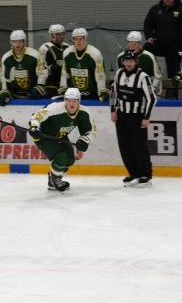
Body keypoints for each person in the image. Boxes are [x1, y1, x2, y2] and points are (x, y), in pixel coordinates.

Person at [29, 87, 95, 192]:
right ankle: (55, 180)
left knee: (70, 159)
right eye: (69, 101)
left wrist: (85, 139)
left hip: (59, 136)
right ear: (65, 100)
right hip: (43, 136)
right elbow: (36, 117)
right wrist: (34, 127)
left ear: (79, 101)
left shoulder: (84, 113)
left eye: (75, 101)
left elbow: (90, 131)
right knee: (61, 157)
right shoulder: (55, 109)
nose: (71, 104)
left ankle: (53, 179)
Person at [111, 50, 156, 186]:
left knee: (139, 147)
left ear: (136, 62)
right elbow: (114, 92)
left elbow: (152, 98)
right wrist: (113, 110)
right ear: (123, 61)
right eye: (126, 61)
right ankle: (133, 173)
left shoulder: (143, 77)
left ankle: (145, 174)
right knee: (124, 146)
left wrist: (146, 117)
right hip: (122, 115)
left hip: (137, 117)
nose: (129, 63)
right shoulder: (119, 73)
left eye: (131, 61)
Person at [143, 0, 182, 82]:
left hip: (175, 48)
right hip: (159, 44)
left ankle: (172, 95)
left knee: (173, 73)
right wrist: (149, 37)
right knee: (146, 48)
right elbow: (147, 24)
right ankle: (149, 77)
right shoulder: (155, 9)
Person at [0, 30, 45, 105]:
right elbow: (4, 78)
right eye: (15, 42)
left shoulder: (35, 55)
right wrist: (4, 91)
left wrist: (39, 86)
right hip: (15, 96)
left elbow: (42, 73)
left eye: (20, 41)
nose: (18, 45)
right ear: (11, 43)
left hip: (33, 95)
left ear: (24, 42)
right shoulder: (6, 57)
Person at [61, 28, 107, 101]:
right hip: (73, 96)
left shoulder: (95, 54)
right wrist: (63, 87)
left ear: (86, 39)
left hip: (92, 95)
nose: (78, 42)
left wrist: (101, 90)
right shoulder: (67, 53)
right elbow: (65, 73)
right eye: (76, 39)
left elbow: (100, 75)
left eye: (81, 39)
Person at [117, 31, 162, 96]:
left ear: (139, 43)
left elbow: (157, 76)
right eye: (130, 43)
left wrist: (151, 89)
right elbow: (119, 75)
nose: (132, 45)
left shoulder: (149, 56)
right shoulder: (120, 57)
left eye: (135, 43)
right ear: (128, 43)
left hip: (145, 92)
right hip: (127, 92)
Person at [38, 24, 69, 95]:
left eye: (63, 34)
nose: (62, 36)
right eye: (59, 35)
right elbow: (41, 68)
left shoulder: (67, 47)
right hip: (51, 83)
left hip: (66, 82)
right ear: (52, 35)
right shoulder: (44, 48)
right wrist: (41, 84)